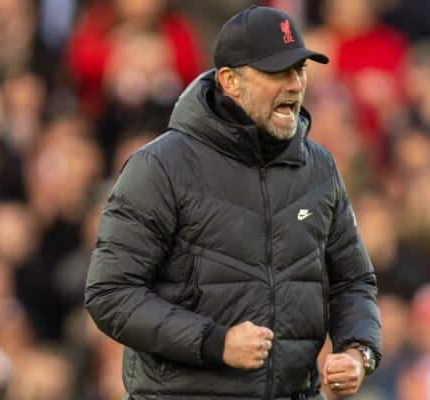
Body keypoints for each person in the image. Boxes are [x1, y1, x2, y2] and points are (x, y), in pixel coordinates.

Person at [84, 6, 381, 400]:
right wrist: (214, 342)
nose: (294, 85)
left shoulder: (320, 168)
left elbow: (353, 280)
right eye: (277, 72)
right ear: (229, 81)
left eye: (300, 71)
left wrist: (358, 351)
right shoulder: (160, 167)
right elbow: (110, 294)